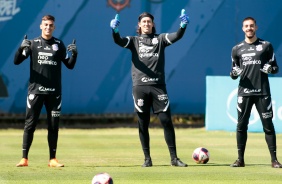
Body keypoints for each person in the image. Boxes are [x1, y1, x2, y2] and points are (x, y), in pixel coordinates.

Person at [110, 9, 189, 167]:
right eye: (144, 22)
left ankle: (174, 159)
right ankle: (147, 159)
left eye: (149, 22)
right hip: (140, 87)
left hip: (158, 87)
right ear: (139, 25)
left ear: (153, 25)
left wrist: (183, 26)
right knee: (143, 123)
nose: (147, 24)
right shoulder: (134, 41)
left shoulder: (160, 39)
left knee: (166, 121)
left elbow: (177, 36)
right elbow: (118, 41)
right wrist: (115, 30)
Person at [14, 15, 78, 167]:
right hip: (35, 91)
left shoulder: (59, 44)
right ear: (40, 26)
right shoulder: (33, 44)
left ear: (54, 27)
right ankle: (24, 159)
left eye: (51, 25)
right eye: (45, 25)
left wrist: (75, 54)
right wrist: (20, 48)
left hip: (54, 93)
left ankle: (52, 159)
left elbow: (70, 65)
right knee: (30, 124)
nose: (48, 27)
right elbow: (16, 61)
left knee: (53, 126)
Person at [230, 17, 281, 168]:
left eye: (251, 26)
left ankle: (274, 160)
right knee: (241, 126)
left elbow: (276, 68)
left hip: (262, 92)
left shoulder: (266, 46)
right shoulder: (236, 48)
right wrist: (234, 73)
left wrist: (271, 69)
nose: (249, 28)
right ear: (242, 28)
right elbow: (232, 73)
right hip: (244, 92)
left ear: (256, 27)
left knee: (268, 126)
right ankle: (240, 160)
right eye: (246, 26)